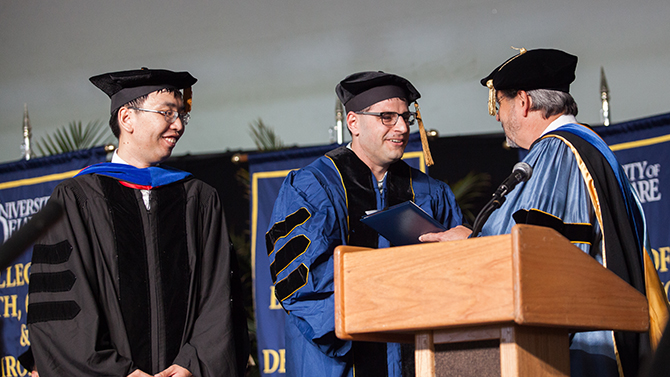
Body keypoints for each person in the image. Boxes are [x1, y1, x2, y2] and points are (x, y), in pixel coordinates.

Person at [421, 48, 668, 377]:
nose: (498, 116)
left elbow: (540, 252)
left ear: (522, 101)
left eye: (502, 104)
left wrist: (470, 246)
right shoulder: (591, 146)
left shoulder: (555, 151)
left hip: (580, 346)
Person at [27, 68, 245, 377]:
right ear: (127, 118)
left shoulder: (199, 199)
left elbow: (219, 296)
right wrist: (118, 372)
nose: (178, 125)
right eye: (167, 113)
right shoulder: (76, 200)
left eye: (182, 115)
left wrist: (191, 364)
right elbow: (63, 315)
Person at [265, 71, 470, 377]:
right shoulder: (312, 186)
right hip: (337, 362)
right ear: (353, 123)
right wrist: (400, 295)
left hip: (415, 359)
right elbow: (304, 283)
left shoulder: (430, 192)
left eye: (405, 117)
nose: (401, 127)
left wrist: (470, 247)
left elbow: (460, 285)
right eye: (387, 117)